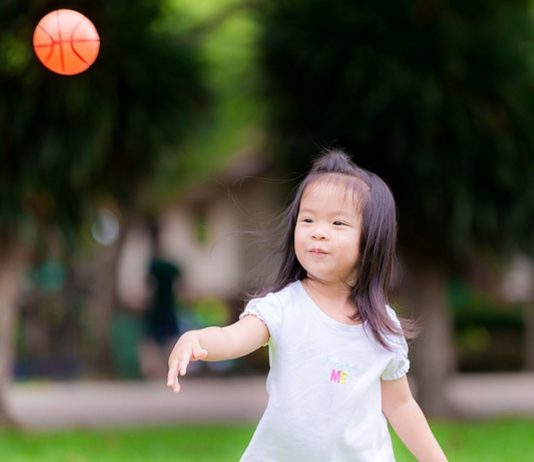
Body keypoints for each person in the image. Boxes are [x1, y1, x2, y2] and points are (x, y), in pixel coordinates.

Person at [167, 149, 448, 461]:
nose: (318, 231)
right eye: (308, 219)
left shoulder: (383, 327)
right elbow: (235, 337)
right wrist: (198, 339)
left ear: (371, 241)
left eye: (338, 223)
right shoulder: (284, 307)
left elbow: (399, 404)